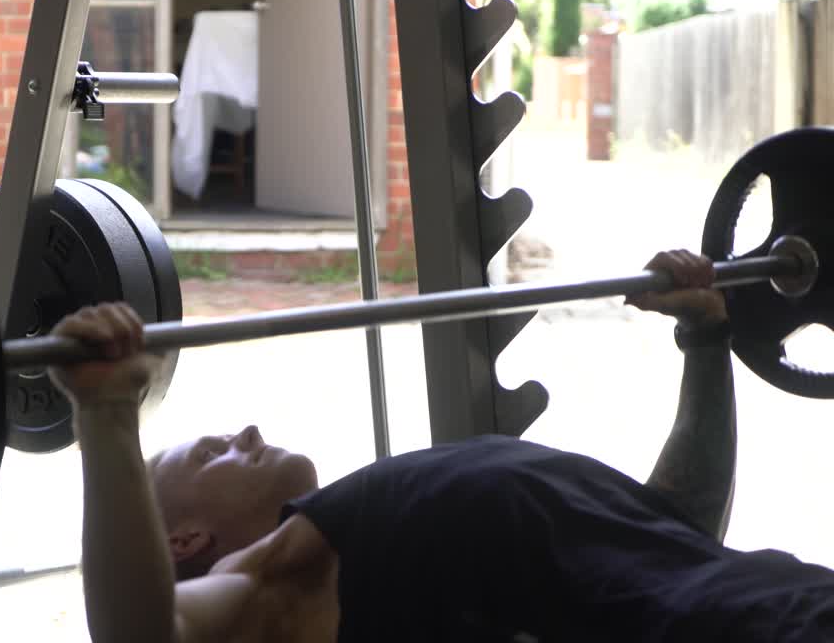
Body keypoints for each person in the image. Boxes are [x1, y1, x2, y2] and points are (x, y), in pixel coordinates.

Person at [49, 250, 834, 642]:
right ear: (185, 538)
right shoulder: (278, 582)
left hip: (781, 596)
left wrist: (704, 337)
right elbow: (145, 638)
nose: (247, 432)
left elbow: (678, 529)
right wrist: (107, 420)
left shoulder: (367, 529)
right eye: (211, 451)